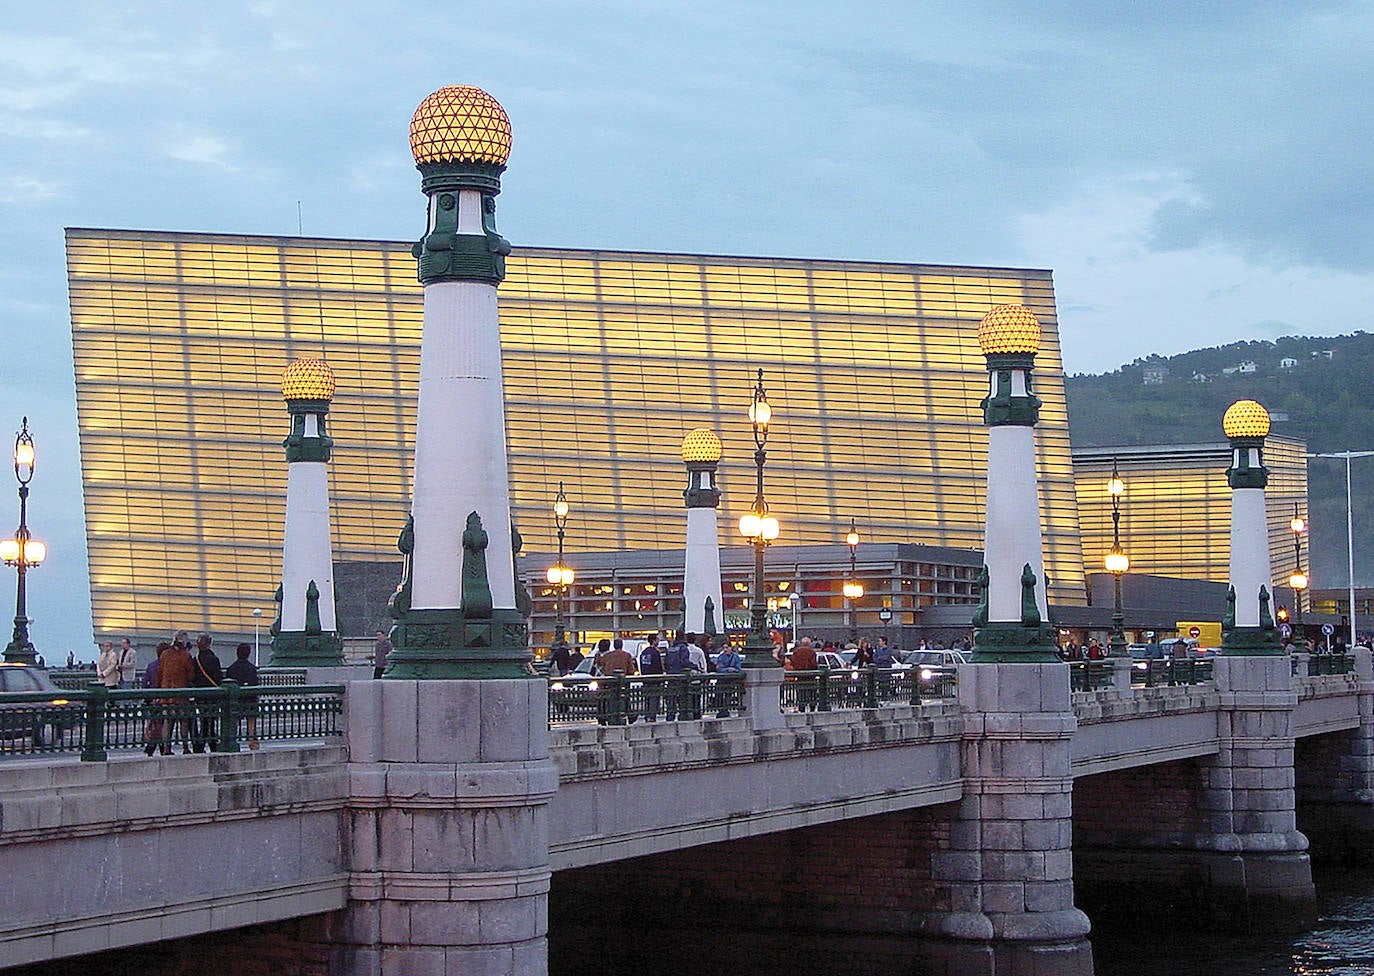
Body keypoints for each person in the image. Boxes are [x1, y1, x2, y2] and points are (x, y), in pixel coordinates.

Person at [157, 632, 196, 754]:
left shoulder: (165, 655)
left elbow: (160, 673)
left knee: (167, 722)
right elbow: (191, 675)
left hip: (166, 694)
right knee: (183, 721)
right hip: (180, 694)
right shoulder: (185, 656)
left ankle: (166, 748)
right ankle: (185, 747)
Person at [191, 632, 224, 753]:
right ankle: (211, 743)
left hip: (200, 695)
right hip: (212, 694)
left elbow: (193, 677)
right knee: (211, 720)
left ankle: (201, 744)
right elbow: (218, 677)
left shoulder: (196, 660)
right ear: (210, 644)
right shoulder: (214, 659)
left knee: (203, 719)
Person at [225, 642, 261, 750]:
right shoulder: (251, 668)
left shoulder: (231, 669)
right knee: (251, 721)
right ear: (248, 654)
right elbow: (255, 684)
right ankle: (252, 742)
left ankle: (232, 740)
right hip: (250, 700)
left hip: (236, 700)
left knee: (234, 720)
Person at [142, 642, 169, 756]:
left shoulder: (151, 665)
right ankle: (162, 746)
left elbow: (145, 683)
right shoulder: (166, 666)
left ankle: (151, 745)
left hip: (152, 698)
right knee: (163, 724)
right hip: (163, 698)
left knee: (154, 723)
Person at [787, 637, 819, 712]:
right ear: (809, 644)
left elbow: (793, 662)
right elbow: (814, 664)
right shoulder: (812, 652)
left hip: (800, 676)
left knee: (801, 693)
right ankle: (812, 707)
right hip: (811, 677)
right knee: (812, 693)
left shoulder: (796, 652)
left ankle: (802, 707)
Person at [639, 633, 665, 721]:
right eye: (657, 639)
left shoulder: (644, 652)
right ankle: (652, 716)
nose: (658, 641)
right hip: (654, 679)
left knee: (647, 697)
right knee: (654, 697)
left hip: (645, 678)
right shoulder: (655, 652)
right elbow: (658, 666)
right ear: (654, 641)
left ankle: (647, 715)